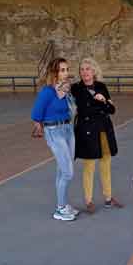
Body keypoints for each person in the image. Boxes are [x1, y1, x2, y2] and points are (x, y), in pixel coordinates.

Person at [72, 57, 123, 214]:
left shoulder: (101, 86)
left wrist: (103, 101)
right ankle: (88, 201)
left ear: (94, 71)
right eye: (82, 69)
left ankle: (108, 197)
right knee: (89, 166)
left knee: (105, 163)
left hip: (103, 129)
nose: (85, 72)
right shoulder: (76, 88)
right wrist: (99, 105)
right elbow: (84, 110)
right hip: (87, 131)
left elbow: (111, 109)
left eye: (88, 69)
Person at [31, 57, 79, 222]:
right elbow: (36, 114)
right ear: (55, 72)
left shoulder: (66, 90)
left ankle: (64, 204)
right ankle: (60, 209)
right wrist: (39, 128)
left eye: (67, 69)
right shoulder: (47, 92)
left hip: (68, 129)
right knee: (68, 172)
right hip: (54, 131)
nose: (66, 73)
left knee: (62, 169)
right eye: (62, 70)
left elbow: (71, 110)